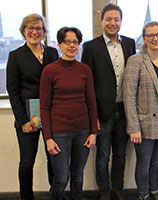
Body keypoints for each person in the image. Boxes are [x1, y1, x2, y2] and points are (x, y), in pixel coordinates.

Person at [81, 3, 136, 200]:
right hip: (102, 112)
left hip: (124, 110)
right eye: (109, 19)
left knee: (121, 154)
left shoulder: (129, 44)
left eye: (117, 19)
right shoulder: (90, 47)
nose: (113, 23)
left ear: (121, 22)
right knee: (103, 155)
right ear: (102, 21)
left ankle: (118, 190)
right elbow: (87, 84)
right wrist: (92, 116)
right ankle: (104, 191)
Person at [40, 27, 98, 200]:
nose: (72, 45)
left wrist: (93, 132)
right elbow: (44, 107)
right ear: (59, 44)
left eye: (75, 42)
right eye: (67, 42)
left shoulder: (84, 70)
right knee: (61, 178)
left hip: (83, 131)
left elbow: (91, 102)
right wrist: (48, 138)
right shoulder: (49, 71)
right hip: (59, 133)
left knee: (78, 175)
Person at [123, 21, 158, 200]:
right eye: (151, 35)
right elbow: (128, 95)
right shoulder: (135, 61)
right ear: (144, 39)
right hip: (144, 124)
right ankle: (143, 195)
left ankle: (155, 192)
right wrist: (133, 127)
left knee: (157, 162)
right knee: (144, 164)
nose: (156, 38)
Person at [6, 13, 58, 200]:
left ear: (44, 32)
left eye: (38, 28)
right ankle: (26, 197)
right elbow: (12, 91)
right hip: (27, 117)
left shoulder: (52, 53)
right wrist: (22, 121)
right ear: (23, 31)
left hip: (51, 115)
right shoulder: (16, 56)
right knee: (27, 162)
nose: (34, 32)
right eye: (31, 28)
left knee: (53, 159)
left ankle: (56, 194)